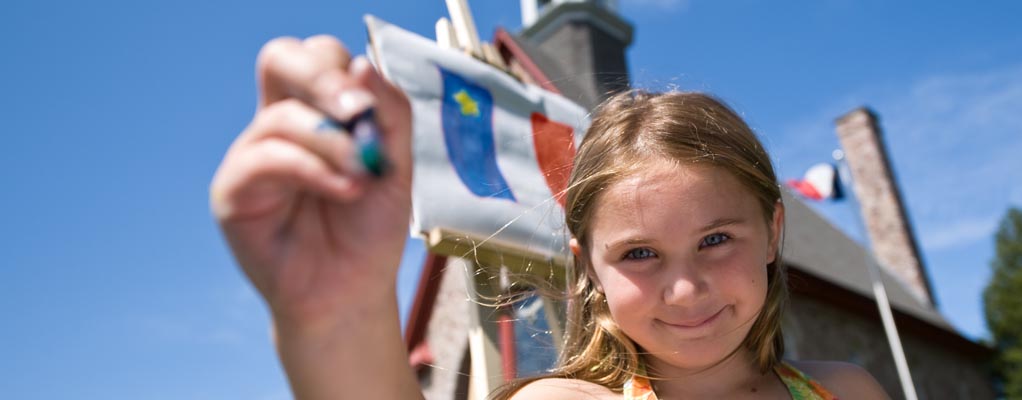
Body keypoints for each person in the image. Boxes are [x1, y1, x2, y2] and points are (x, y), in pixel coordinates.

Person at [211, 35, 890, 399]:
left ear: (773, 231)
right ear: (585, 264)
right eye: (639, 254)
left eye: (715, 239)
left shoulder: (848, 392)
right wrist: (337, 320)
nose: (685, 289)